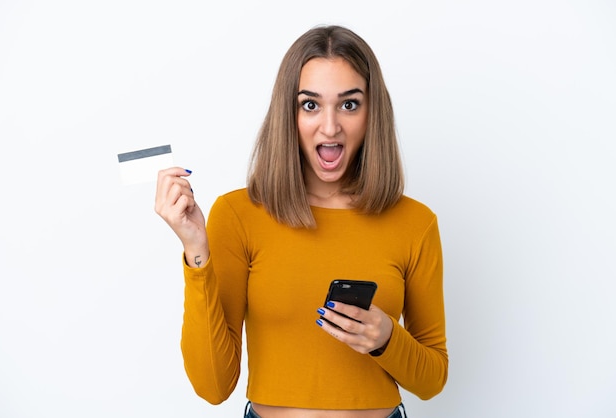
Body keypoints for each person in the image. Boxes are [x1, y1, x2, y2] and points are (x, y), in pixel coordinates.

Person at [155, 25, 447, 418]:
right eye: (310, 105)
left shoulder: (415, 223)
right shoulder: (239, 214)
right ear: (288, 113)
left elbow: (432, 381)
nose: (330, 127)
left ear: (372, 111)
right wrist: (195, 251)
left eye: (349, 104)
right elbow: (213, 386)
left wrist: (387, 339)